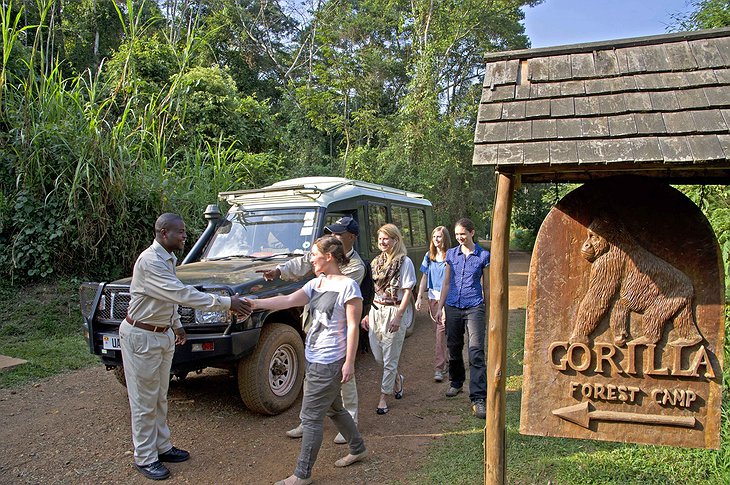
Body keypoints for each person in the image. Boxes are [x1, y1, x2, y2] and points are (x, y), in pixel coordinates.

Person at [120, 213, 251, 480]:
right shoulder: (150, 261)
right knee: (144, 401)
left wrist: (177, 323)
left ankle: (162, 447)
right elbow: (180, 293)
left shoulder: (167, 258)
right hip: (142, 336)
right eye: (179, 232)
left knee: (159, 396)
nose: (184, 236)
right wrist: (227, 303)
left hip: (161, 333)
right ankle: (144, 457)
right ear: (163, 232)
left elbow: (166, 297)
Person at [249, 236, 367, 485]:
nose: (311, 259)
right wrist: (255, 304)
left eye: (314, 254)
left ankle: (302, 474)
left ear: (329, 257)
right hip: (313, 356)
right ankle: (357, 448)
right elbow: (288, 300)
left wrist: (349, 362)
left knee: (311, 418)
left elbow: (353, 327)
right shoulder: (316, 283)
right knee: (335, 408)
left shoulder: (348, 286)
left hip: (330, 360)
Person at [259, 216, 365, 445]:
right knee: (313, 378)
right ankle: (308, 419)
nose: (334, 236)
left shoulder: (355, 268)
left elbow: (339, 293)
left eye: (339, 234)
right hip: (317, 326)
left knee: (344, 381)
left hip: (338, 333)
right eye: (333, 233)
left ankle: (351, 420)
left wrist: (319, 277)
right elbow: (302, 263)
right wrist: (278, 270)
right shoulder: (322, 254)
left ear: (351, 237)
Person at [435, 217, 490, 419]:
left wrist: (489, 311)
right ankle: (456, 382)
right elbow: (446, 283)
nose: (459, 238)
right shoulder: (451, 254)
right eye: (457, 234)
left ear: (472, 233)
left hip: (475, 306)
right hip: (452, 306)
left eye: (463, 234)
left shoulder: (483, 255)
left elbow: (487, 286)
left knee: (476, 351)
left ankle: (478, 397)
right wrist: (441, 307)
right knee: (454, 347)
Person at [361, 223, 416, 415]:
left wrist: (399, 316)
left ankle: (383, 397)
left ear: (395, 240)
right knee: (378, 357)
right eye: (380, 239)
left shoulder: (404, 262)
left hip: (394, 311)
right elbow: (374, 291)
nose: (382, 242)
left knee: (390, 358)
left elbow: (408, 291)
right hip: (376, 311)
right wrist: (368, 313)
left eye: (386, 238)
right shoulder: (376, 262)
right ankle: (398, 379)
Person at [415, 226, 451, 382]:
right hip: (433, 299)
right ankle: (449, 361)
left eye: (440, 237)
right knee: (440, 332)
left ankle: (439, 367)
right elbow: (424, 277)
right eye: (434, 237)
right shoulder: (429, 256)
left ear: (445, 238)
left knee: (441, 332)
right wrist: (418, 297)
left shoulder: (451, 255)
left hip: (448, 299)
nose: (437, 239)